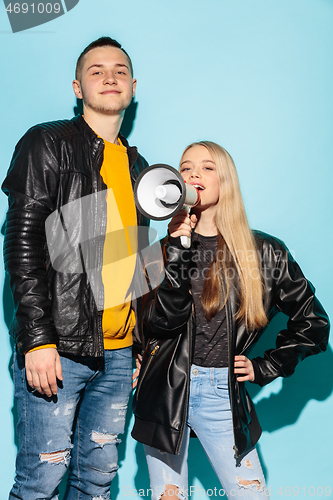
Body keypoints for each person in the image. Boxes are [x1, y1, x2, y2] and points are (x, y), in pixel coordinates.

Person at [131, 141, 330, 499]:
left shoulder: (265, 252)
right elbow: (154, 324)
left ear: (227, 181)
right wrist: (177, 249)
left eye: (207, 167)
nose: (193, 174)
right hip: (162, 392)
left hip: (219, 393)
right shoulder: (158, 251)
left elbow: (313, 322)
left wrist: (266, 366)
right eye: (186, 167)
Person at [2, 36, 150, 500]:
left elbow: (139, 262)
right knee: (41, 481)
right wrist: (37, 339)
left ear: (132, 88)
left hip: (120, 353)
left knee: (97, 482)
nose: (110, 76)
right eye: (96, 70)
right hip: (60, 348)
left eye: (120, 70)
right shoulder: (47, 143)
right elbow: (22, 243)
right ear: (77, 87)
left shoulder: (140, 168)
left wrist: (141, 344)